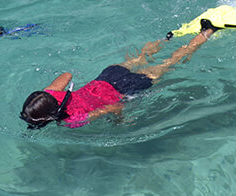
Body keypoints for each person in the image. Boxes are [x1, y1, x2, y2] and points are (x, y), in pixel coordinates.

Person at [20, 19, 218, 129]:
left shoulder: (73, 120)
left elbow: (114, 106)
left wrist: (119, 120)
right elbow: (67, 75)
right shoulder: (50, 92)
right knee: (141, 55)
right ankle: (166, 39)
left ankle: (206, 33)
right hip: (108, 75)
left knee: (170, 63)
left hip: (125, 88)